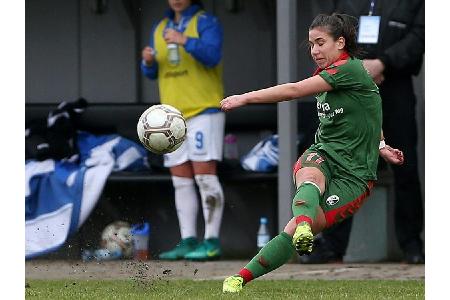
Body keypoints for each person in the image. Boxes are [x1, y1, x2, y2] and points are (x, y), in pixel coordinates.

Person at [221, 13, 404, 293]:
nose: (314, 51)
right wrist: (381, 145)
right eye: (311, 44)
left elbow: (294, 90)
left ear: (340, 42)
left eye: (320, 43)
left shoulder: (349, 70)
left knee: (293, 228)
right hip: (323, 153)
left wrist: (244, 98)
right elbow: (369, 113)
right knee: (308, 178)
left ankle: (285, 242)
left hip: (354, 177)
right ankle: (237, 280)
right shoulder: (334, 75)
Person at [300, 0, 425, 265]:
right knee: (339, 163)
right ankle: (332, 246)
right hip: (348, 86)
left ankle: (412, 244)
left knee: (405, 164)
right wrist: (355, 68)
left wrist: (383, 63)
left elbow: (419, 35)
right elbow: (333, 34)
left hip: (394, 87)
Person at [140, 0, 225, 261]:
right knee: (181, 180)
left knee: (205, 177)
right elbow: (153, 72)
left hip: (204, 110)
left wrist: (184, 40)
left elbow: (213, 56)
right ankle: (187, 240)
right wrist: (148, 62)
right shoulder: (160, 27)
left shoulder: (205, 22)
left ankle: (211, 241)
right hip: (171, 117)